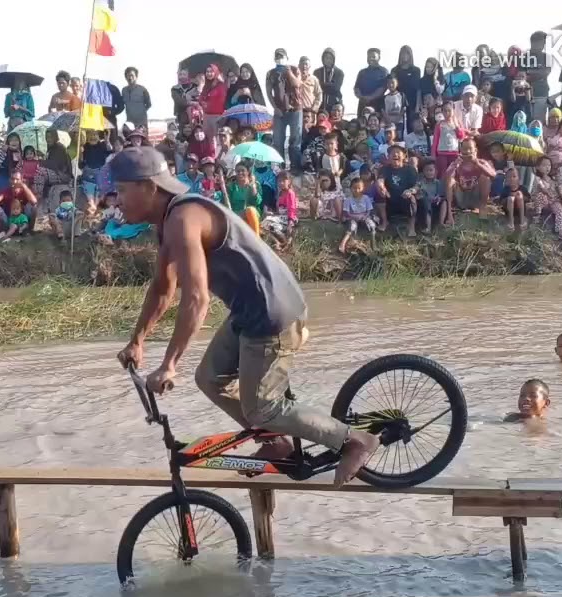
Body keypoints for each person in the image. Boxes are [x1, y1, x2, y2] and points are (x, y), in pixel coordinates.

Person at [112, 146, 378, 485]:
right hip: (249, 310)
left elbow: (196, 298)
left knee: (263, 407)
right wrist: (137, 340)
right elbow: (163, 289)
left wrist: (169, 364)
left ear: (150, 187)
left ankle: (353, 440)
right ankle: (275, 443)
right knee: (210, 378)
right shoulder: (169, 222)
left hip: (272, 313)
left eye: (122, 190)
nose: (117, 200)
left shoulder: (184, 218)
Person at [445, 138, 495, 219]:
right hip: (461, 197)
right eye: (465, 149)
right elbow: (446, 177)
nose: (468, 151)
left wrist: (477, 163)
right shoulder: (456, 163)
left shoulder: (481, 162)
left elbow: (493, 175)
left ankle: (482, 208)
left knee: (485, 177)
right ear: (460, 150)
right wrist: (455, 165)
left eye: (470, 149)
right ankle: (449, 212)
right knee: (450, 179)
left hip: (476, 197)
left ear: (475, 150)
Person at [528, 156, 562, 239]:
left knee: (559, 210)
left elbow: (559, 190)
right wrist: (547, 192)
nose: (547, 167)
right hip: (543, 201)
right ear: (537, 167)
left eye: (549, 165)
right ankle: (538, 214)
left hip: (553, 201)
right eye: (544, 165)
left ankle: (560, 231)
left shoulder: (553, 179)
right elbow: (542, 188)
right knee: (540, 195)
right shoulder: (537, 179)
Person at [415, 158, 447, 233]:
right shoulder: (421, 183)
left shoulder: (438, 183)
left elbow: (440, 195)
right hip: (425, 205)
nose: (429, 173)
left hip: (435, 203)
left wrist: (438, 198)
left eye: (431, 170)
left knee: (444, 202)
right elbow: (418, 193)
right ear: (423, 172)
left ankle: (441, 223)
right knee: (426, 203)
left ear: (435, 171)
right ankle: (428, 227)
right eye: (427, 170)